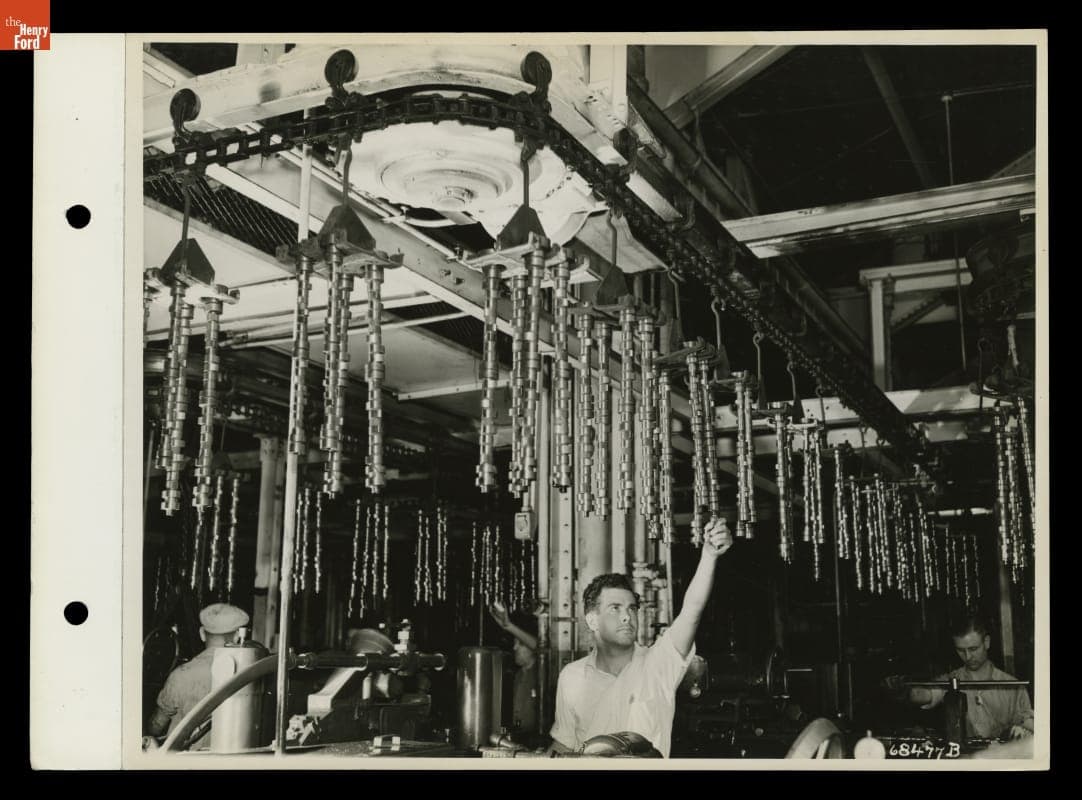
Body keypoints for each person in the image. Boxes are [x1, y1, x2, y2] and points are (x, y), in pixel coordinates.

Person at [548, 517, 733, 757]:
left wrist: (709, 557)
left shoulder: (658, 664)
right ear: (592, 620)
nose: (627, 616)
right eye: (615, 608)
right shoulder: (571, 677)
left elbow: (691, 612)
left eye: (632, 608)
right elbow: (563, 746)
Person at [894, 613, 1033, 741]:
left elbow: (1029, 728)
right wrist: (905, 691)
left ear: (986, 642)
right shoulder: (952, 680)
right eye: (960, 650)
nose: (967, 657)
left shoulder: (1014, 686)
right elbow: (927, 694)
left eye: (973, 649)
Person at [146, 602, 251, 749]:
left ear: (202, 634)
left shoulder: (181, 675)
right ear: (236, 636)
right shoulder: (249, 672)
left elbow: (156, 726)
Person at [489, 601, 539, 740]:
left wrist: (508, 626)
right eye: (515, 643)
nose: (514, 648)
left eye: (521, 644)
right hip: (519, 738)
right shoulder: (517, 675)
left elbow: (540, 647)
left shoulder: (542, 674)